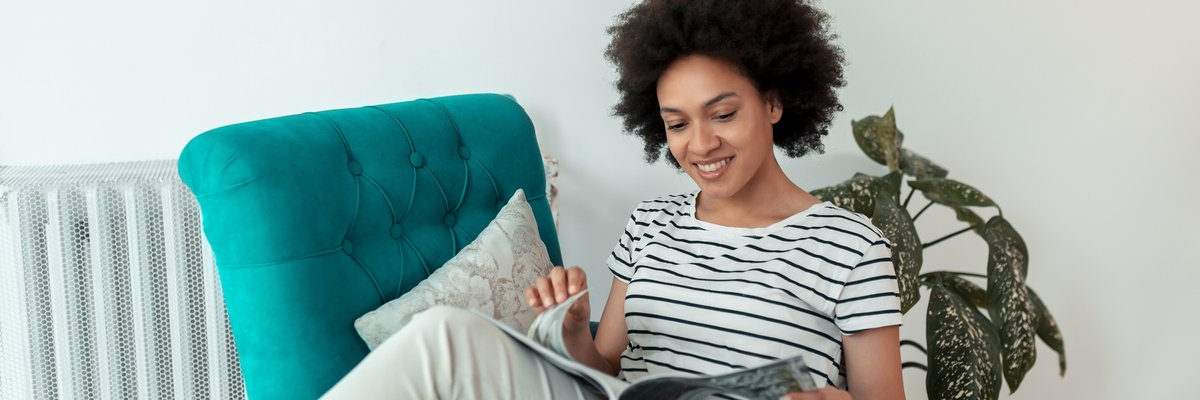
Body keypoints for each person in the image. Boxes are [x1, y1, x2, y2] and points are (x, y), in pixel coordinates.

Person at [323, 1, 904, 399]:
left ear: (775, 103)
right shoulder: (652, 223)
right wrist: (574, 331)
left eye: (723, 114)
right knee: (444, 334)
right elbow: (606, 370)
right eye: (677, 124)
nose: (701, 144)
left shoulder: (851, 248)